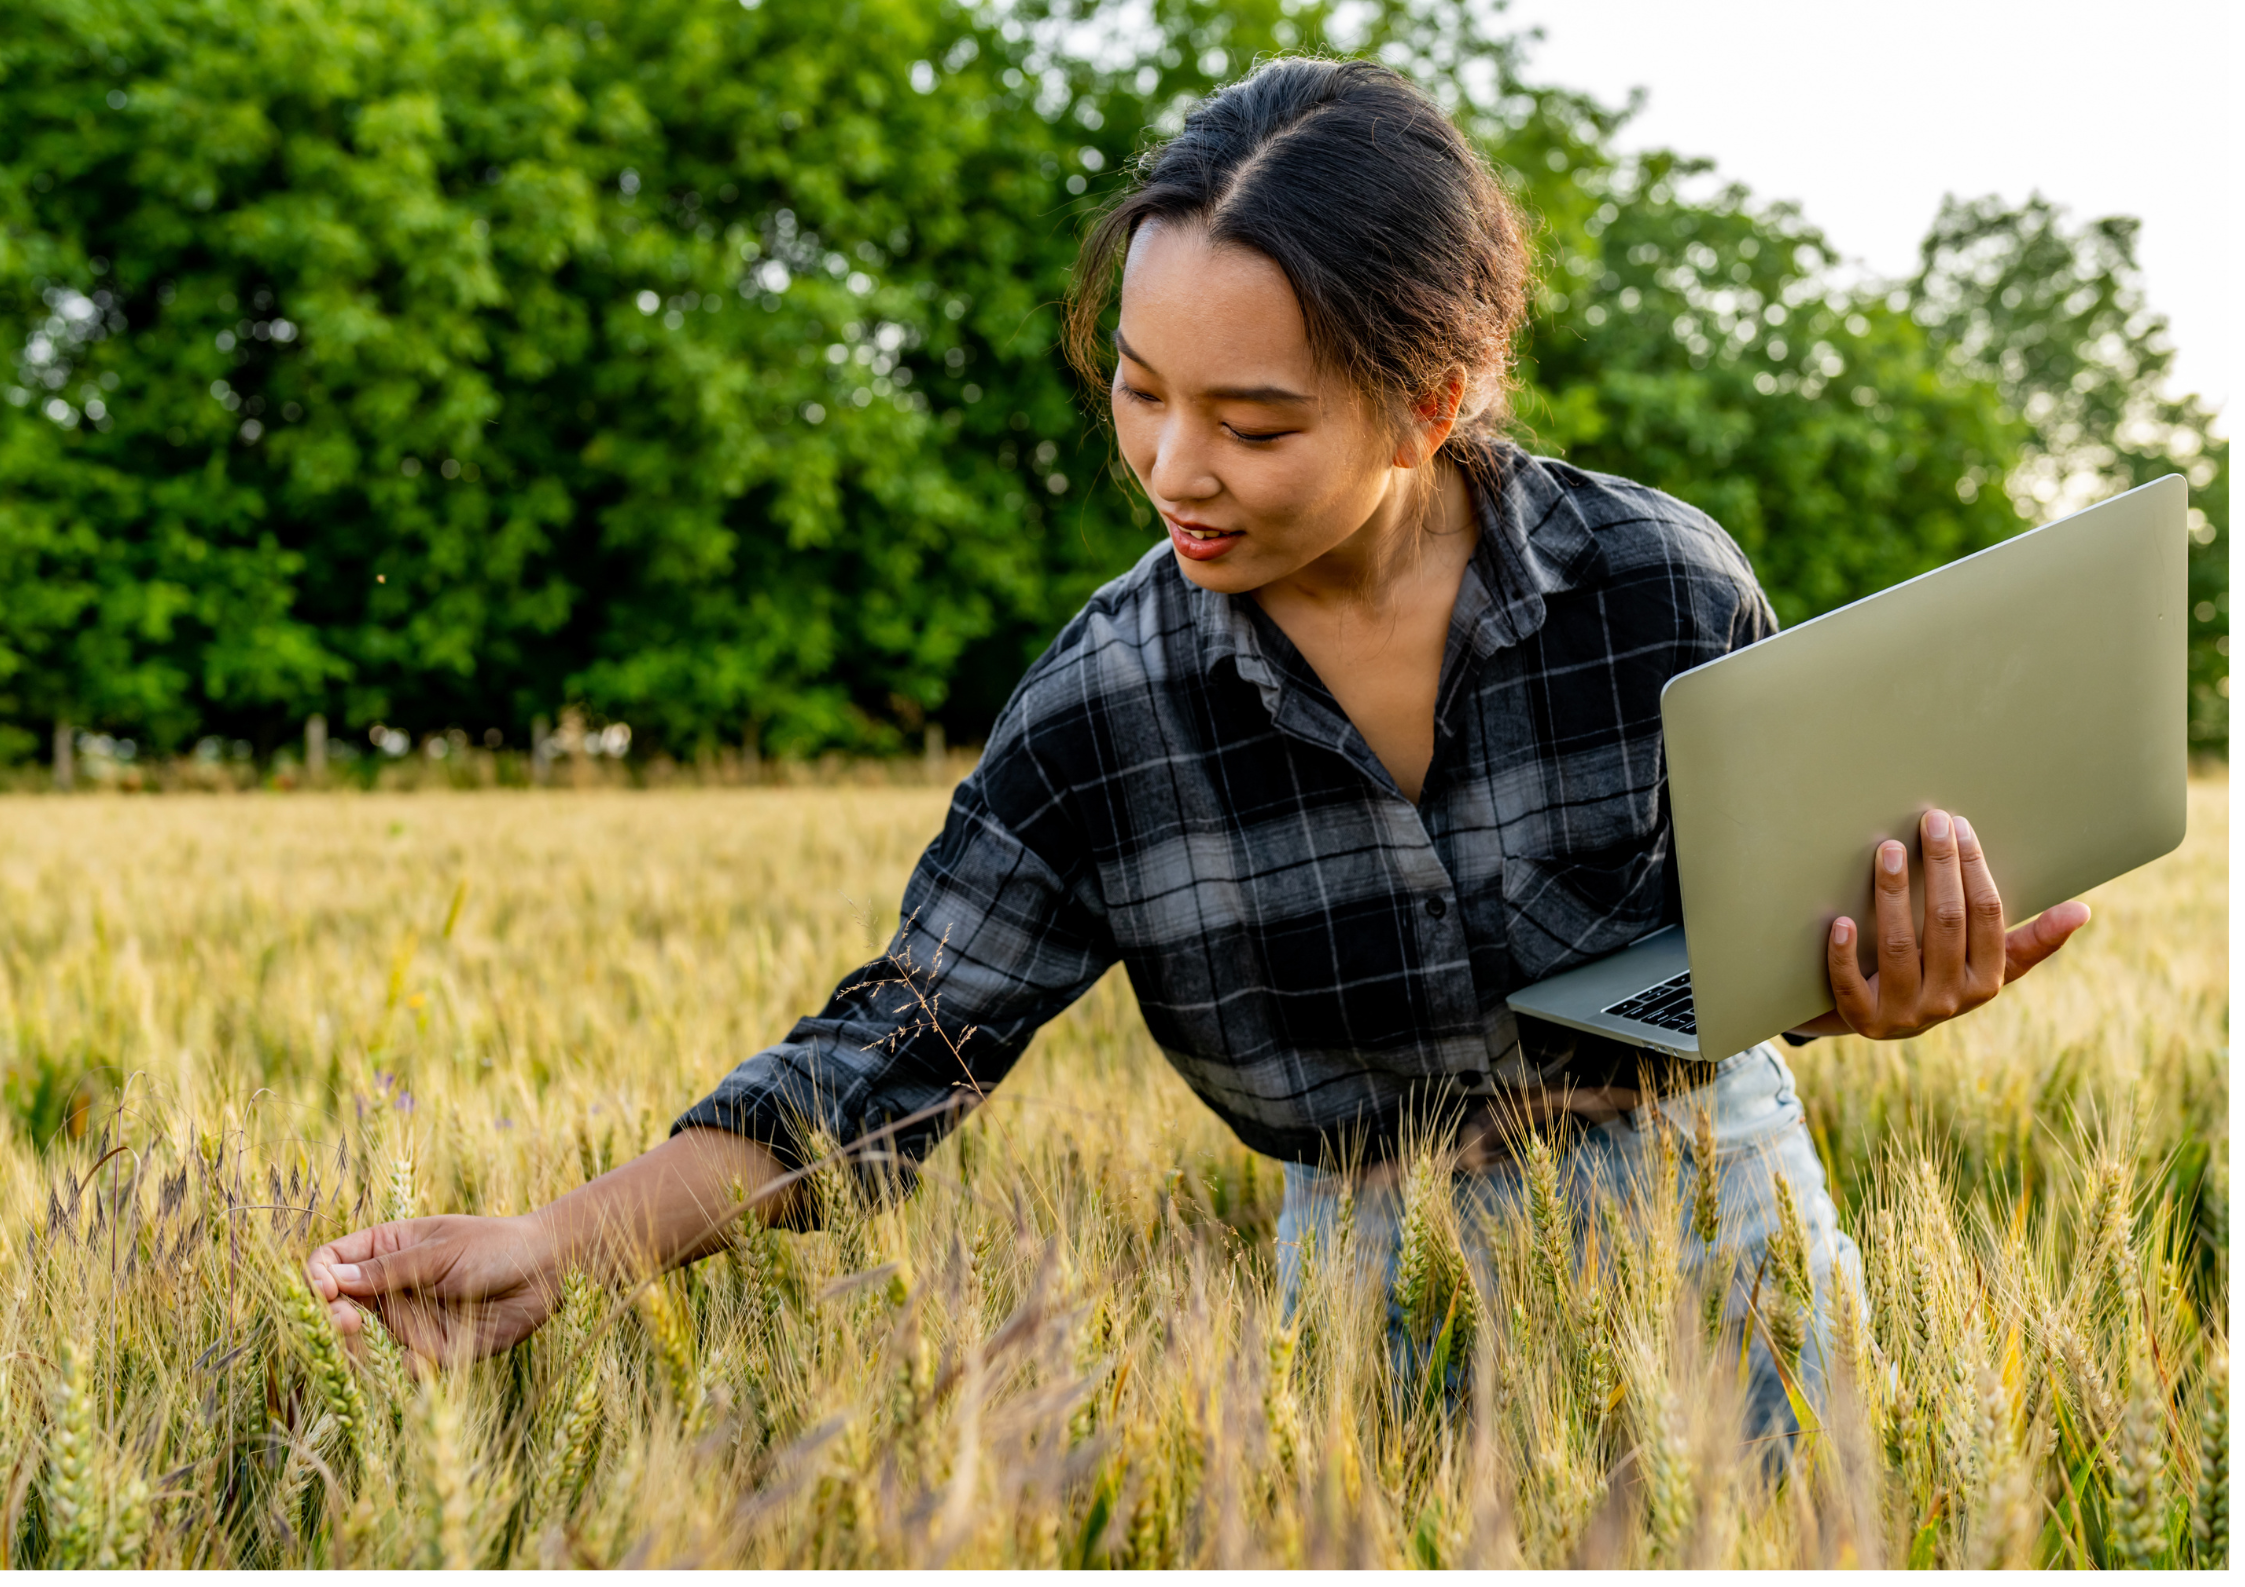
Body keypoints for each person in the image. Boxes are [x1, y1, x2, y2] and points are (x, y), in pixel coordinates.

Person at [307, 57, 2088, 1431]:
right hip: (1373, 1290)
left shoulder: (1658, 583)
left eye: (1251, 418)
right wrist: (553, 1239)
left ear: (1434, 396)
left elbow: (1749, 938)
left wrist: (1868, 977)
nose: (1172, 466)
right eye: (1138, 387)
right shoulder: (1101, 707)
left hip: (1721, 1232)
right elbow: (894, 1046)